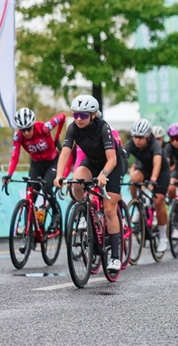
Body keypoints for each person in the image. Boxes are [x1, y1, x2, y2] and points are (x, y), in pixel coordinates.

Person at [54, 95, 125, 272]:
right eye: (75, 114)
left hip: (112, 164)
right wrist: (59, 175)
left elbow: (112, 159)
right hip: (93, 162)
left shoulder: (103, 127)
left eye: (83, 115)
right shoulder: (72, 128)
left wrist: (103, 174)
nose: (78, 119)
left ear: (93, 115)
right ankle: (84, 213)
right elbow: (65, 153)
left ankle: (115, 257)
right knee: (77, 181)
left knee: (109, 209)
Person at [2, 108, 66, 230]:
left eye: (29, 129)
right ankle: (29, 232)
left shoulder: (44, 128)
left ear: (33, 125)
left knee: (46, 188)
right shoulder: (18, 137)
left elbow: (62, 116)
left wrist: (57, 137)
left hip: (52, 163)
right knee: (30, 196)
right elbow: (14, 157)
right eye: (23, 130)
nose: (26, 133)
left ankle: (56, 212)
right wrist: (9, 175)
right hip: (36, 165)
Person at [126, 118, 171, 252]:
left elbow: (157, 163)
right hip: (145, 168)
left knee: (158, 201)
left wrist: (153, 179)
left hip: (161, 171)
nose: (137, 140)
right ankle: (137, 204)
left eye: (140, 137)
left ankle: (163, 237)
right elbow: (122, 159)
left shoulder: (154, 144)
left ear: (148, 136)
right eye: (135, 137)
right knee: (134, 179)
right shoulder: (131, 144)